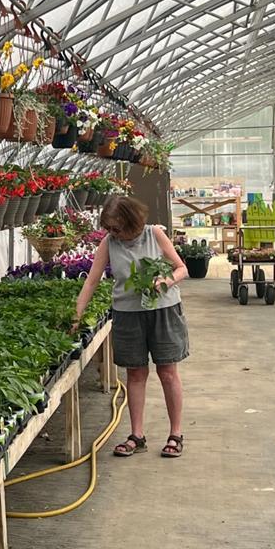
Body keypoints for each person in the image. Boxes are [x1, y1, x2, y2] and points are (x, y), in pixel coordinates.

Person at [74, 195, 189, 459]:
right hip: (128, 315)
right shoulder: (109, 243)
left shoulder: (154, 234)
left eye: (117, 228)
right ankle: (137, 435)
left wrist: (165, 281)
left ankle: (175, 434)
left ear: (132, 221)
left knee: (168, 372)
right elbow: (91, 281)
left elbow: (181, 269)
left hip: (163, 310)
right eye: (110, 228)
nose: (114, 233)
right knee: (135, 374)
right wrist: (76, 315)